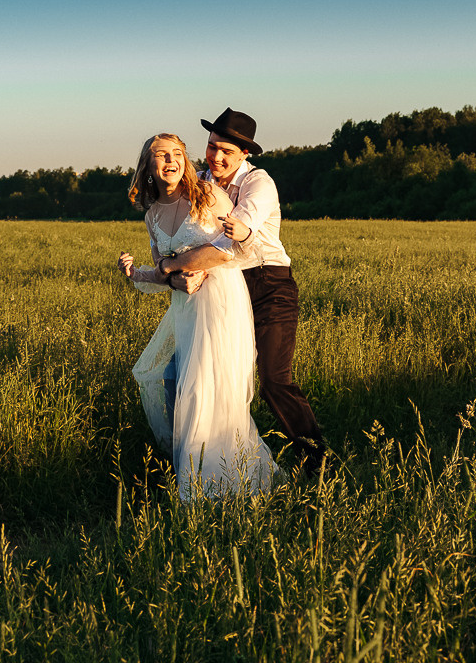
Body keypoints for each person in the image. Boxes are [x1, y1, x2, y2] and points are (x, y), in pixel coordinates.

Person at [159, 108, 326, 473]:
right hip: (219, 287)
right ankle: (194, 462)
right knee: (187, 376)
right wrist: (172, 271)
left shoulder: (259, 184)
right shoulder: (199, 180)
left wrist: (173, 266)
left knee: (272, 381)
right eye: (211, 147)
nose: (216, 157)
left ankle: (316, 461)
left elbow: (231, 244)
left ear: (244, 155)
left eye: (226, 152)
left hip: (268, 285)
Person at [117, 133, 278, 499]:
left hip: (221, 302)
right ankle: (198, 477)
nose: (171, 161)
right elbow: (162, 272)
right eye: (161, 156)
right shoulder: (152, 213)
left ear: (185, 161)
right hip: (186, 311)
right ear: (148, 166)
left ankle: (215, 486)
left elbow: (229, 250)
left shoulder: (206, 196)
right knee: (182, 385)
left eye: (177, 153)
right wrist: (139, 274)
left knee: (205, 389)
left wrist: (179, 266)